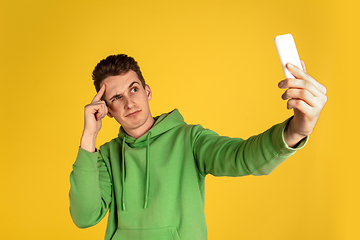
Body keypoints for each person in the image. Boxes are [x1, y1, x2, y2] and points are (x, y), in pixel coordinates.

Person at [69, 54, 327, 240]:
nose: (129, 102)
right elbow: (84, 217)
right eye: (116, 97)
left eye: (133, 89)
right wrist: (88, 138)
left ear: (147, 91)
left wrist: (297, 130)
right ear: (108, 111)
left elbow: (241, 157)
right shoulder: (103, 156)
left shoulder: (190, 139)